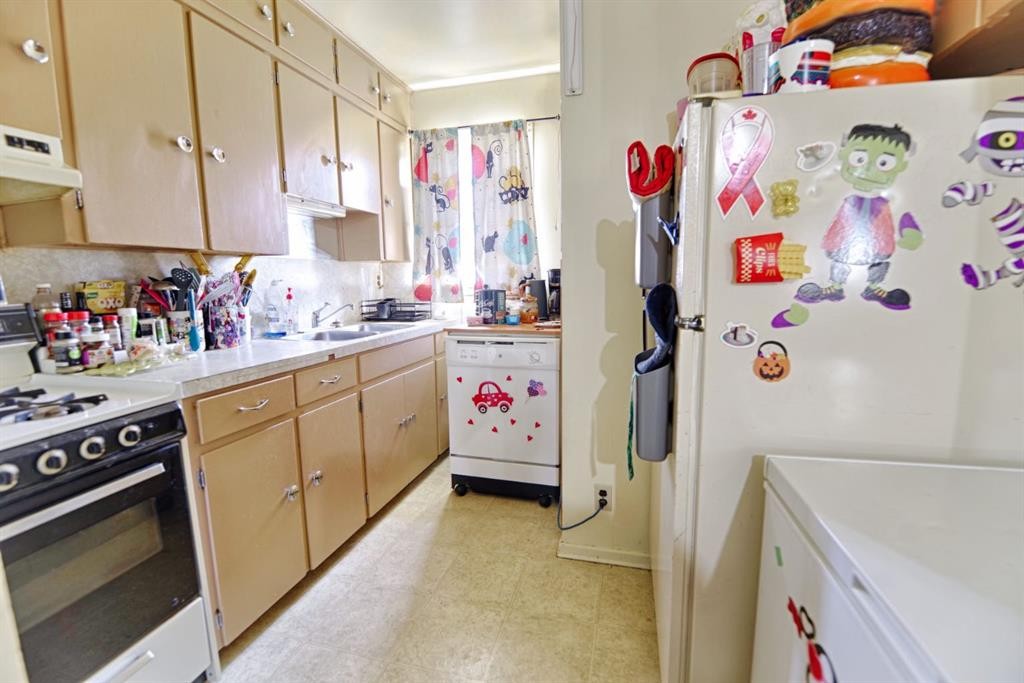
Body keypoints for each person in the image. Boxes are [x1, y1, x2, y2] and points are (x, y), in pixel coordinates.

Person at [796, 123, 922, 310]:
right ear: (844, 155)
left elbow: (894, 224)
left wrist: (906, 236)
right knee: (840, 260)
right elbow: (834, 220)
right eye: (860, 159)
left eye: (883, 163)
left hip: (878, 244)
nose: (869, 169)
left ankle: (873, 287)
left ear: (901, 166)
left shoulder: (886, 202)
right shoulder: (846, 198)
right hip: (844, 242)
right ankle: (836, 287)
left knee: (878, 262)